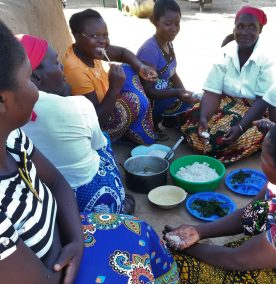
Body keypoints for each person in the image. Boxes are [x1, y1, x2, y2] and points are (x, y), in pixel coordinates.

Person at [0, 20, 179, 283]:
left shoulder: (13, 138)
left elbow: (57, 182)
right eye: (28, 80)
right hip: (52, 274)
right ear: (3, 99)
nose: (37, 94)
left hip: (65, 238)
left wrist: (75, 242)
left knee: (141, 230)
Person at [164, 120, 276, 283]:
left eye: (263, 158)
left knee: (183, 267)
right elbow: (252, 212)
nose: (260, 161)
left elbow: (237, 260)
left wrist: (186, 248)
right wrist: (199, 231)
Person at [17, 33, 135, 214]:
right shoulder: (78, 106)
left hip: (44, 203)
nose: (62, 65)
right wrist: (114, 89)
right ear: (35, 77)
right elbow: (98, 144)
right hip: (90, 198)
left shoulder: (10, 113)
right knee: (102, 140)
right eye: (56, 62)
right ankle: (117, 204)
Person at [181, 6, 275, 165]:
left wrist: (240, 127)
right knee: (194, 123)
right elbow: (212, 91)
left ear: (260, 30)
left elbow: (262, 100)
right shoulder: (225, 52)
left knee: (238, 136)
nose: (245, 32)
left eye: (252, 27)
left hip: (253, 110)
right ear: (234, 27)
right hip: (223, 103)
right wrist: (204, 117)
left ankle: (225, 147)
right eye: (240, 26)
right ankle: (214, 144)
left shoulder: (266, 58)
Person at [63, 8, 159, 144]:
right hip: (97, 129)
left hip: (107, 100)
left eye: (105, 35)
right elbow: (95, 121)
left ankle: (137, 122)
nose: (103, 41)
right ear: (77, 36)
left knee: (130, 68)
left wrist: (141, 67)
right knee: (135, 100)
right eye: (94, 36)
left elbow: (122, 53)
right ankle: (137, 132)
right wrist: (114, 89)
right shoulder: (75, 70)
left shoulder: (88, 50)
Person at [137, 0, 195, 140]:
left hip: (163, 92)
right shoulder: (150, 51)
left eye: (177, 24)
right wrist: (176, 92)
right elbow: (148, 91)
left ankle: (169, 119)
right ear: (155, 21)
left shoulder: (167, 43)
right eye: (168, 24)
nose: (174, 28)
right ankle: (153, 125)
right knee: (184, 102)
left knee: (192, 102)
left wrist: (183, 91)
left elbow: (173, 73)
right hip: (152, 100)